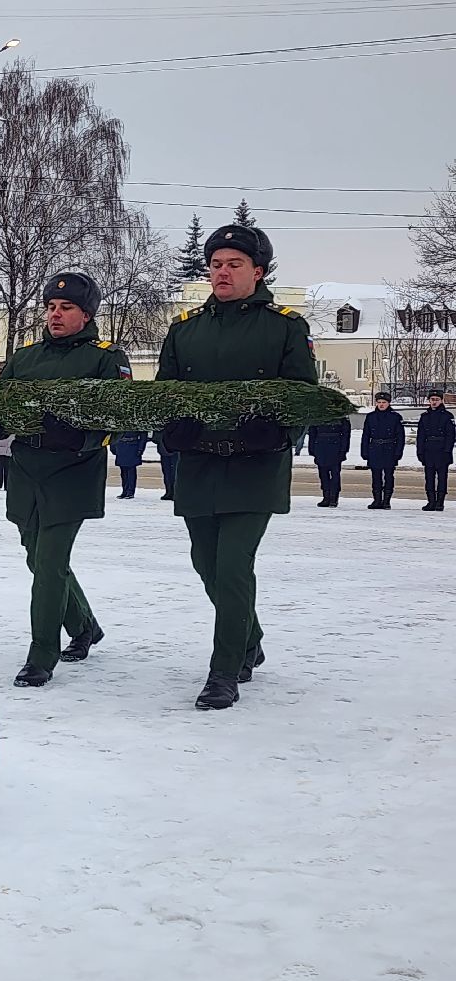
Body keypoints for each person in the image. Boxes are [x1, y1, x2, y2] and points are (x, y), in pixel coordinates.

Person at [156, 224, 317, 710]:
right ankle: (249, 637)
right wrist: (171, 429)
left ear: (258, 271)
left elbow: (303, 397)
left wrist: (279, 432)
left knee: (231, 567)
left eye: (234, 264)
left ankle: (224, 672)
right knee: (205, 564)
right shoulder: (185, 329)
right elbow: (165, 394)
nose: (221, 272)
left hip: (256, 466)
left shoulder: (286, 327)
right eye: (216, 264)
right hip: (200, 465)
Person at [0, 271, 128, 687]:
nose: (55, 315)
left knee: (51, 562)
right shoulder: (26, 357)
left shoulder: (105, 357)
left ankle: (42, 655)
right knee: (37, 558)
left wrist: (83, 436)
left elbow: (120, 417)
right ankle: (84, 625)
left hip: (72, 470)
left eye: (66, 308)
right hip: (26, 469)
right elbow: (0, 404)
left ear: (86, 314)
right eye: (51, 308)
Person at [360, 392, 404, 510]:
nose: (381, 405)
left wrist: (398, 452)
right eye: (379, 402)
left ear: (388, 403)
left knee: (389, 476)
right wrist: (364, 451)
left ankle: (386, 500)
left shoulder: (395, 417)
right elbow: (366, 435)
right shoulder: (371, 417)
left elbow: (400, 437)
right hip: (374, 448)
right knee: (376, 476)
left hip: (389, 449)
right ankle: (377, 500)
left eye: (384, 402)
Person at [417, 390, 454, 511]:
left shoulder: (447, 416)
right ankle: (431, 501)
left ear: (441, 400)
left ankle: (440, 502)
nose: (434, 402)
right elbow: (421, 435)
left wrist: (447, 450)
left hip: (442, 450)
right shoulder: (424, 417)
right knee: (429, 478)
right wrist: (420, 451)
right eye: (432, 400)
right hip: (428, 450)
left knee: (442, 478)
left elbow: (451, 435)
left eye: (437, 400)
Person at [308, 418, 352, 508]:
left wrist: (344, 449)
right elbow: (312, 432)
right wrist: (312, 449)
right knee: (323, 474)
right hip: (320, 446)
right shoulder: (318, 415)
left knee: (335, 474)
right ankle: (326, 496)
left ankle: (333, 498)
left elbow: (346, 434)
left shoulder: (340, 415)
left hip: (335, 446)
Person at [111, 430, 148, 499]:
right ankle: (125, 491)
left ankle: (130, 492)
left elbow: (143, 436)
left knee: (131, 471)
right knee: (123, 471)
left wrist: (140, 448)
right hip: (120, 446)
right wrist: (113, 446)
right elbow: (114, 433)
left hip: (133, 447)